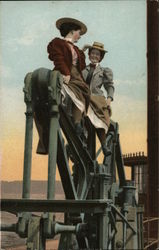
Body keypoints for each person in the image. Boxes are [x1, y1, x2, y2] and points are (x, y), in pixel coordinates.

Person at [47, 17, 91, 136]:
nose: (80, 36)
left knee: (83, 93)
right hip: (64, 72)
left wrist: (82, 50)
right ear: (72, 31)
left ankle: (77, 124)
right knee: (70, 92)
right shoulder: (58, 43)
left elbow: (80, 65)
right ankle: (68, 120)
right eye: (79, 33)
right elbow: (58, 59)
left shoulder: (75, 48)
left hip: (76, 77)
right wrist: (66, 73)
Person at [82, 42, 114, 156]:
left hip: (96, 98)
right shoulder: (82, 69)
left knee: (99, 118)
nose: (94, 56)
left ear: (100, 57)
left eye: (97, 54)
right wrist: (82, 50)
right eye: (92, 53)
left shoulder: (104, 71)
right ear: (89, 55)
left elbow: (109, 86)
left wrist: (109, 99)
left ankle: (104, 145)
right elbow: (73, 63)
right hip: (83, 97)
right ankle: (82, 141)